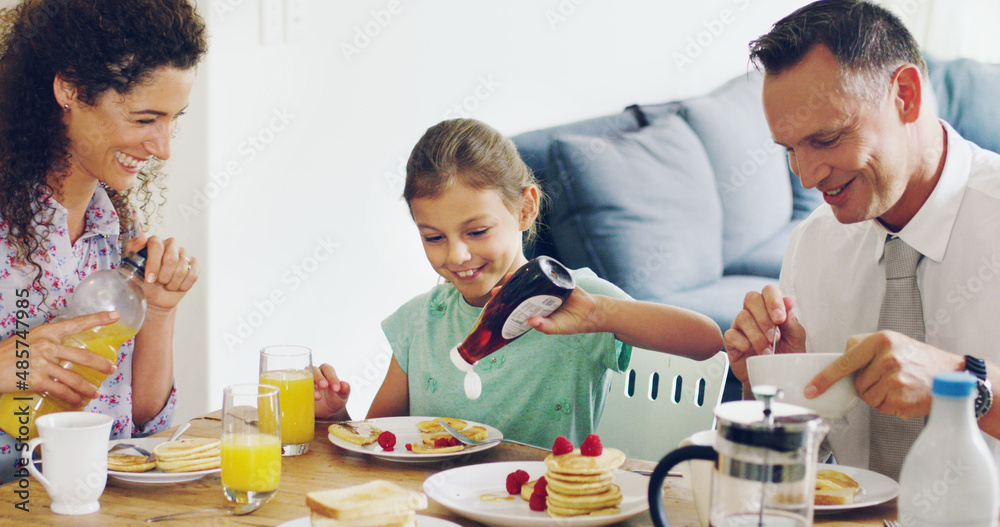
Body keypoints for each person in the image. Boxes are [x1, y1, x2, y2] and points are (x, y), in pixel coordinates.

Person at [314, 118, 723, 447]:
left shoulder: (577, 303)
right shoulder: (419, 322)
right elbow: (382, 441)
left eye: (477, 231)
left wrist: (602, 313)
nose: (456, 255)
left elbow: (707, 341)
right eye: (433, 237)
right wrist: (337, 417)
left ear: (525, 209)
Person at [724, 0, 1000, 479]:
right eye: (790, 150)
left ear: (906, 96)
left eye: (826, 139)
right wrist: (770, 388)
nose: (807, 177)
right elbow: (789, 473)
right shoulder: (813, 246)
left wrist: (958, 383)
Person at [0, 0, 207, 483]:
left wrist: (158, 312)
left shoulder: (115, 228)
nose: (164, 147)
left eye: (173, 119)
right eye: (144, 119)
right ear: (69, 89)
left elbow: (137, 423)